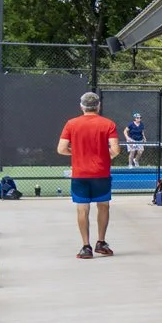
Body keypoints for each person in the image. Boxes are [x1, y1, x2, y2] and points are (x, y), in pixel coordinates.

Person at [56, 91, 120, 259]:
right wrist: (103, 155)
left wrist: (77, 152)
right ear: (98, 106)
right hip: (101, 173)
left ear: (81, 106)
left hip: (80, 174)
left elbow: (61, 149)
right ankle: (101, 242)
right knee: (103, 206)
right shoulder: (108, 124)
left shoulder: (71, 124)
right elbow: (115, 150)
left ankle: (86, 246)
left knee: (82, 209)